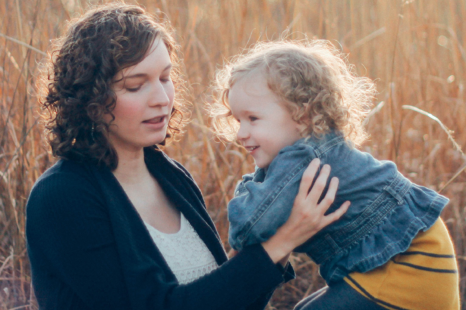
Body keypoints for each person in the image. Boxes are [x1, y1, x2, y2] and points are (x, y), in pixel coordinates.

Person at [25, 4, 349, 310]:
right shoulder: (61, 197)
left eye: (165, 78)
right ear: (89, 98)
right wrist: (282, 240)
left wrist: (277, 235)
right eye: (136, 86)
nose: (162, 99)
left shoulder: (171, 176)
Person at [209, 40, 460, 309]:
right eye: (238, 121)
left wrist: (251, 187)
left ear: (301, 114)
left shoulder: (301, 160)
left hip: (405, 268)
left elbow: (249, 227)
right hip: (423, 256)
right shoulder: (321, 146)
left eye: (253, 119)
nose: (240, 134)